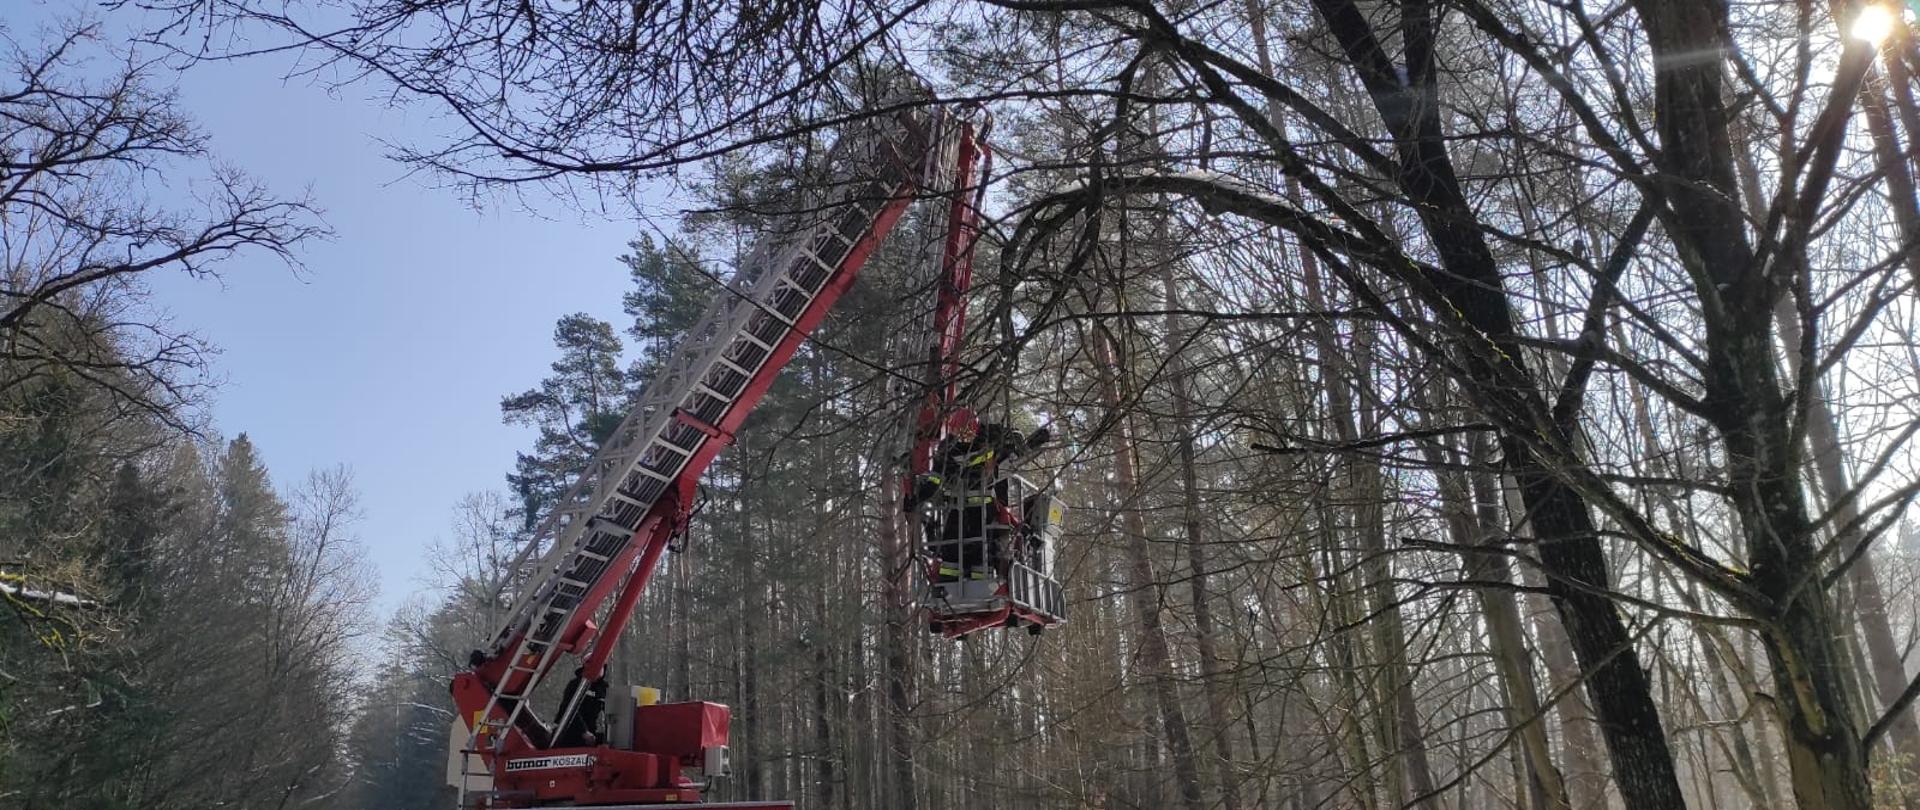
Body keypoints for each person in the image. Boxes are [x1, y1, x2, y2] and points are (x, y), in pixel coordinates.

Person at [552, 667, 609, 748]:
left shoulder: (603, 688)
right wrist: (583, 731)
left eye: (602, 667)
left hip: (590, 732)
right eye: (598, 667)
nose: (600, 670)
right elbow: (568, 709)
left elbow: (609, 710)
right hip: (569, 731)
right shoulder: (576, 685)